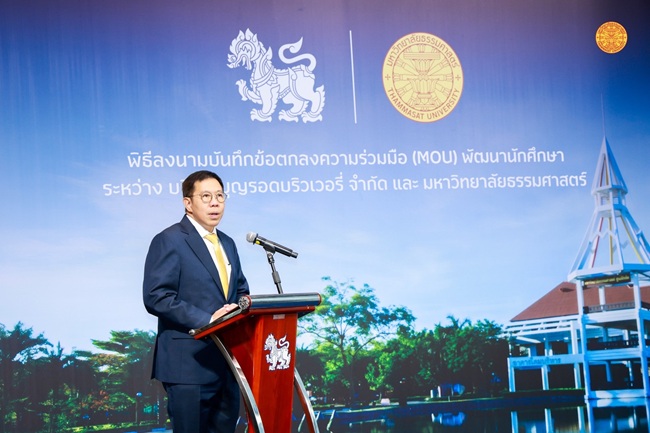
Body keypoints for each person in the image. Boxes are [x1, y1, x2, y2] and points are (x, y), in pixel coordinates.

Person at [143, 170, 250, 433]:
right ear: (188, 203)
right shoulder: (169, 240)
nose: (215, 203)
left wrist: (239, 306)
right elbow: (156, 296)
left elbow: (240, 289)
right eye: (206, 196)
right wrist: (208, 320)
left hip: (227, 364)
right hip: (188, 366)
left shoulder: (228, 243)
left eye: (220, 196)